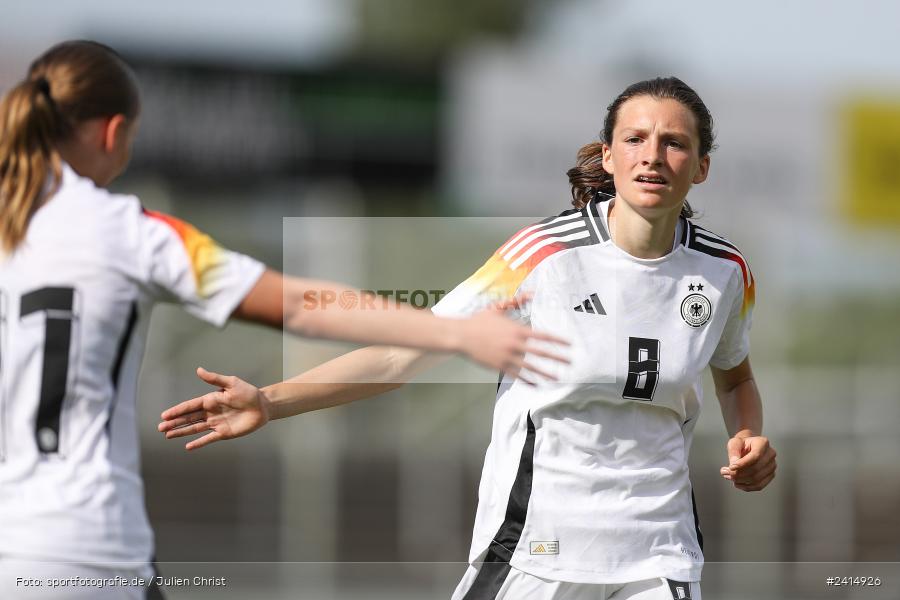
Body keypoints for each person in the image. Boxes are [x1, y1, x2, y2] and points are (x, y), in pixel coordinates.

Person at [159, 77, 778, 600]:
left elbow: (736, 377)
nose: (653, 156)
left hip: (659, 557)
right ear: (609, 156)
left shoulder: (725, 273)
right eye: (635, 139)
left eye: (674, 143)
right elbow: (404, 352)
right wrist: (270, 401)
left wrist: (747, 434)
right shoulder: (542, 255)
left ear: (701, 167)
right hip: (539, 548)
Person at [0, 40, 568, 600]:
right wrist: (455, 331)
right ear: (114, 132)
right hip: (84, 546)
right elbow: (299, 304)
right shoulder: (132, 232)